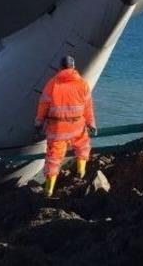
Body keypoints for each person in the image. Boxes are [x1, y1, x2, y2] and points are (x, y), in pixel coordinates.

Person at [34, 55, 96, 197]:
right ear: (73, 67)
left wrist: (38, 123)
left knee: (54, 157)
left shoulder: (52, 84)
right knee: (83, 147)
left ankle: (48, 191)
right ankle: (81, 174)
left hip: (57, 128)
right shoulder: (82, 84)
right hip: (77, 125)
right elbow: (88, 107)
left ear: (60, 67)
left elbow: (43, 105)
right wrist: (91, 123)